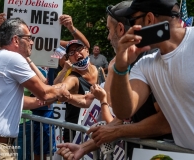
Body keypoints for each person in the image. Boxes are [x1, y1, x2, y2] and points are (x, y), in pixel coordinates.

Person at [56, 1, 174, 159]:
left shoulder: (151, 59)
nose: (108, 36)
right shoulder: (134, 62)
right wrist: (83, 147)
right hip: (139, 152)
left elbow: (165, 121)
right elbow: (121, 119)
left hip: (164, 153)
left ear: (119, 28)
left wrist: (115, 129)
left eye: (109, 30)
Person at [0, 17, 70, 160]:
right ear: (16, 40)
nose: (32, 42)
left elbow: (20, 101)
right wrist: (63, 88)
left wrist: (43, 100)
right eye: (28, 38)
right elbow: (45, 93)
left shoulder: (2, 58)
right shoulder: (12, 58)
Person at [110, 0, 194, 150]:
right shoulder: (145, 65)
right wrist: (121, 67)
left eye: (132, 20)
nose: (130, 27)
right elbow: (124, 111)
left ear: (149, 19)